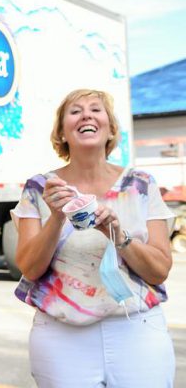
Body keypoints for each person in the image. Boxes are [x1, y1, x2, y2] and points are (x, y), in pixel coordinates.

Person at [12, 89, 175, 387]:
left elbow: (160, 269)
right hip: (61, 336)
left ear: (111, 128)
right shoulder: (39, 188)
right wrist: (57, 216)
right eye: (75, 111)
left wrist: (118, 235)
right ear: (61, 133)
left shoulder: (141, 184)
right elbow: (30, 268)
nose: (86, 115)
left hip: (137, 330)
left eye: (96, 109)